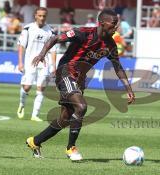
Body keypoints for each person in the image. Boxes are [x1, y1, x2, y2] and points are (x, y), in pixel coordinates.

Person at [26, 9, 135, 161]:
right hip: (65, 73)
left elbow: (117, 67)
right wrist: (42, 54)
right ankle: (71, 148)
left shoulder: (110, 45)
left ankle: (34, 141)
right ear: (102, 23)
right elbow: (56, 39)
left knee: (64, 119)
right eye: (114, 23)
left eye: (117, 23)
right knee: (81, 107)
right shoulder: (83, 33)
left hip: (79, 80)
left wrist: (128, 89)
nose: (116, 26)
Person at [17, 7, 57, 122]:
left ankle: (35, 115)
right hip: (30, 62)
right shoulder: (28, 28)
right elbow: (21, 46)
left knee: (41, 88)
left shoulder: (50, 31)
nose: (42, 18)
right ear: (35, 15)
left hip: (44, 63)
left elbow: (53, 50)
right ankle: (22, 104)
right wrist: (20, 62)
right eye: (40, 16)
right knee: (27, 87)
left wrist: (53, 66)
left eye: (44, 16)